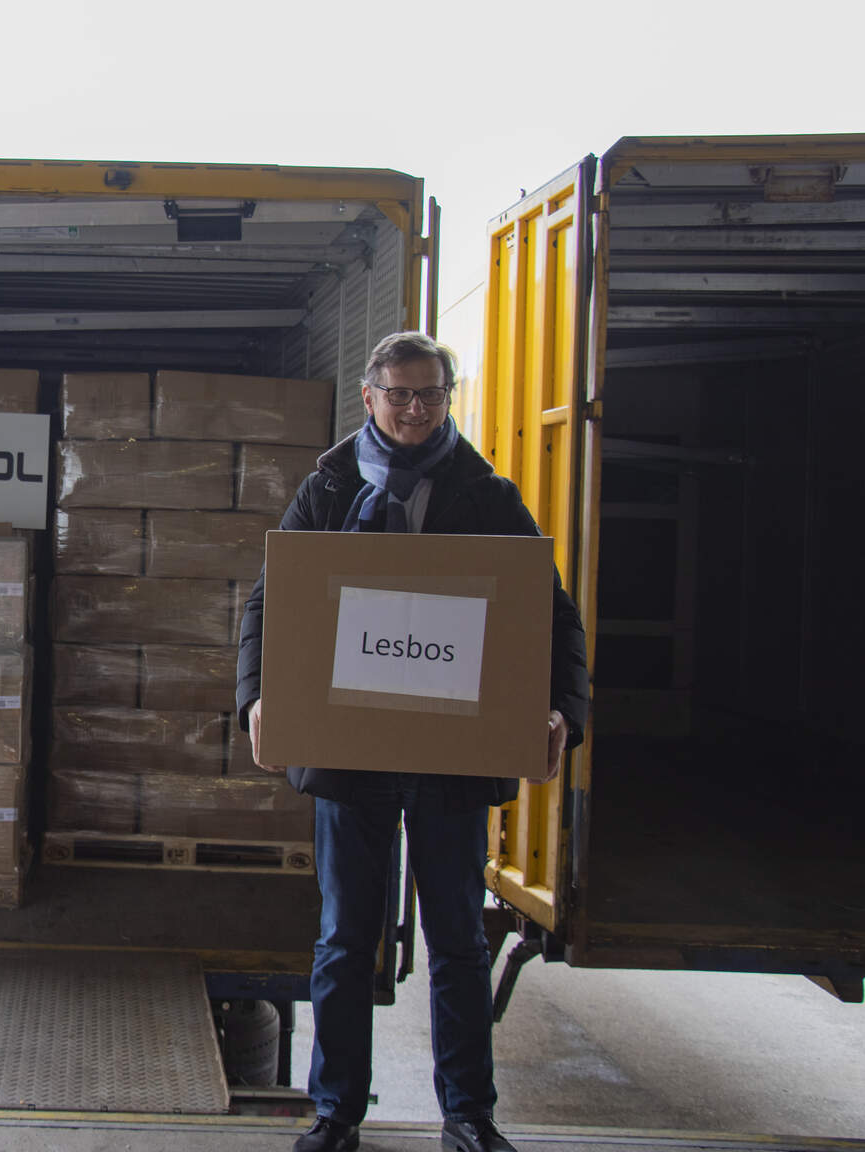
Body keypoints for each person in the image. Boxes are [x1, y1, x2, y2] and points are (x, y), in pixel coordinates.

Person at [235, 332, 588, 1152]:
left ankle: (468, 1115)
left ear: (447, 397)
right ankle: (337, 1113)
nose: (415, 409)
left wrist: (560, 711)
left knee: (459, 942)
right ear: (370, 398)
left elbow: (553, 616)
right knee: (344, 939)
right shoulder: (327, 490)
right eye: (399, 395)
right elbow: (269, 604)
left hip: (449, 764)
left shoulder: (488, 496)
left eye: (429, 395)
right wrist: (257, 697)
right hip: (350, 758)